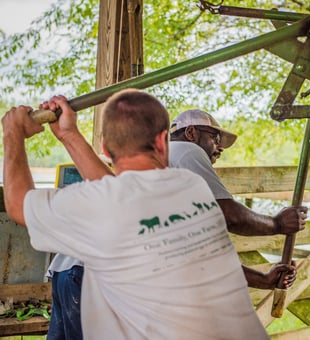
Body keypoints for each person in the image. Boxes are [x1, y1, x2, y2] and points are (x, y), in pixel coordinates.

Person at [2, 89, 270, 339]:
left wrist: (13, 132)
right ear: (163, 143)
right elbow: (116, 191)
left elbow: (17, 205)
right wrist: (69, 135)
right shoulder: (191, 188)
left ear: (106, 149)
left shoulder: (106, 201)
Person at [169, 109, 308, 288]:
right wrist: (278, 224)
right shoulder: (186, 150)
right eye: (215, 139)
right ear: (191, 133)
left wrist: (264, 281)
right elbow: (227, 215)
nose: (219, 149)